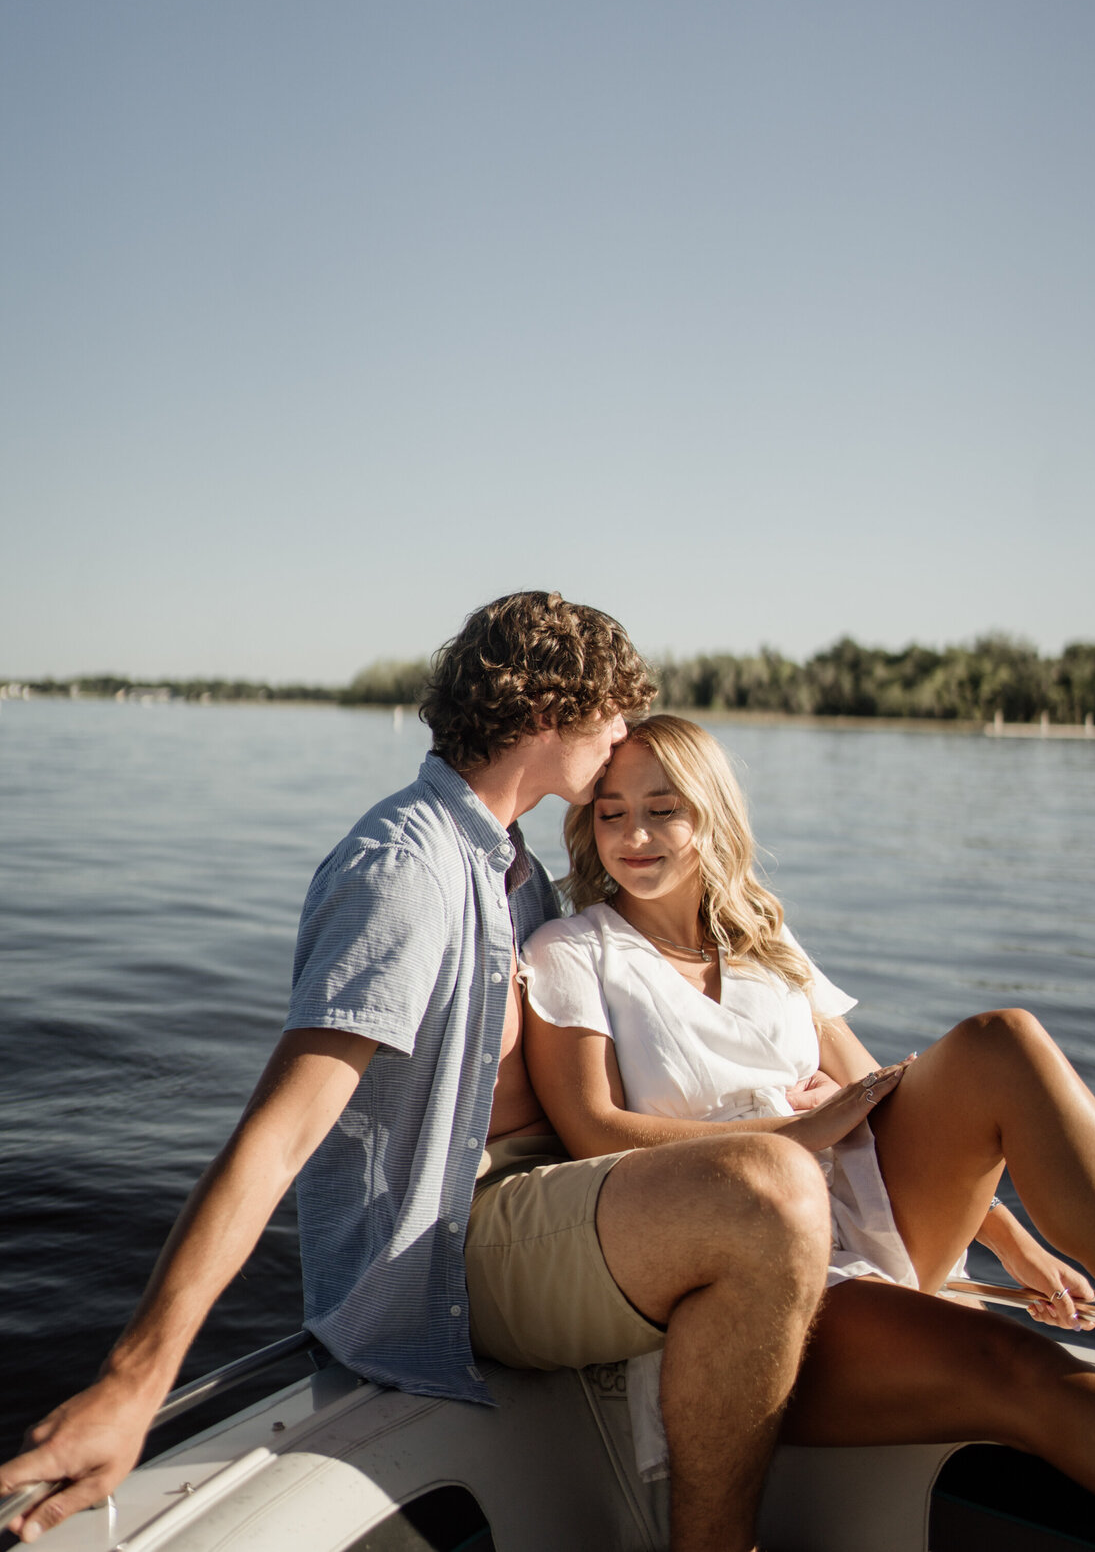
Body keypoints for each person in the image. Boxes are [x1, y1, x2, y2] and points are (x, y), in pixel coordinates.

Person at [0, 595, 865, 1552]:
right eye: (612, 710)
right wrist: (133, 1380)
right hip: (448, 1250)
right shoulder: (405, 870)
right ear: (547, 714)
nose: (622, 733)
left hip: (554, 1197)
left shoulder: (514, 867)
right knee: (771, 1186)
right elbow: (279, 1134)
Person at [521, 712, 1095, 1522]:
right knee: (1019, 1363)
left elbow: (873, 1093)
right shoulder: (575, 948)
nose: (636, 833)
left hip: (868, 1212)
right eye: (613, 811)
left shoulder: (764, 941)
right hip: (755, 1279)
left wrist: (1002, 1233)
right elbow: (594, 1130)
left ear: (710, 816)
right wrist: (795, 1136)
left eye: (664, 807)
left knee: (999, 1041)